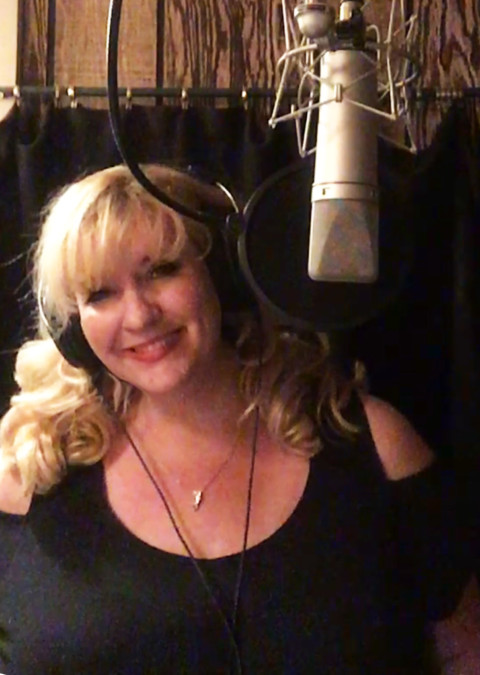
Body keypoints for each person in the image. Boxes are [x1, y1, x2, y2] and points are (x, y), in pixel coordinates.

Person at [0, 164, 478, 674]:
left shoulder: (373, 446)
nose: (138, 316)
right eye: (100, 294)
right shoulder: (26, 472)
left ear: (224, 273)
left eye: (162, 270)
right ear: (73, 328)